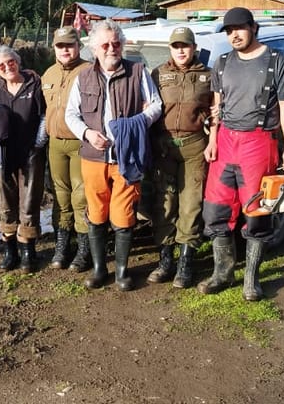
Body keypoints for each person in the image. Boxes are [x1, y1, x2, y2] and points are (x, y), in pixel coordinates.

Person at [198, 7, 284, 301]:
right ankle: (222, 273)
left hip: (259, 143)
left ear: (253, 27)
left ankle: (251, 280)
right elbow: (217, 105)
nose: (234, 35)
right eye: (229, 31)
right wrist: (212, 139)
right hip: (226, 141)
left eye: (239, 28)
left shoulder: (277, 61)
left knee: (257, 214)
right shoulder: (223, 62)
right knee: (216, 210)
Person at [64, 19, 162, 291]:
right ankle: (98, 269)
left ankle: (121, 272)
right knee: (95, 212)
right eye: (105, 44)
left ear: (122, 45)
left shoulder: (137, 71)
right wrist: (87, 133)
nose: (111, 48)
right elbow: (71, 114)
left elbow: (156, 106)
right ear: (94, 48)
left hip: (126, 157)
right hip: (93, 157)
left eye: (116, 43)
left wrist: (137, 123)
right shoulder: (83, 76)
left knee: (123, 213)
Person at [146, 26, 213, 289]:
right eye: (176, 46)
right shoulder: (158, 74)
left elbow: (216, 109)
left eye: (185, 45)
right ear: (170, 49)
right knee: (165, 203)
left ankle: (185, 262)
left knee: (191, 204)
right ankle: (165, 260)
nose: (181, 50)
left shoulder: (208, 76)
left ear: (194, 47)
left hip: (194, 145)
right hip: (164, 146)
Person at [0, 45, 47, 272]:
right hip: (4, 155)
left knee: (29, 200)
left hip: (31, 152)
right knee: (6, 200)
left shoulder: (34, 82)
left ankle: (28, 250)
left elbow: (44, 114)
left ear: (17, 61)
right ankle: (10, 249)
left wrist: (39, 142)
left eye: (10, 61)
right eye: (1, 65)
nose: (7, 67)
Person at [40, 26, 91, 271]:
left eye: (69, 45)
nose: (65, 50)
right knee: (60, 195)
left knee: (81, 195)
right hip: (55, 143)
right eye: (60, 46)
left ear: (78, 46)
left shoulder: (89, 71)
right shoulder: (48, 74)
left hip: (81, 142)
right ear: (55, 49)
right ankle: (62, 243)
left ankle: (84, 247)